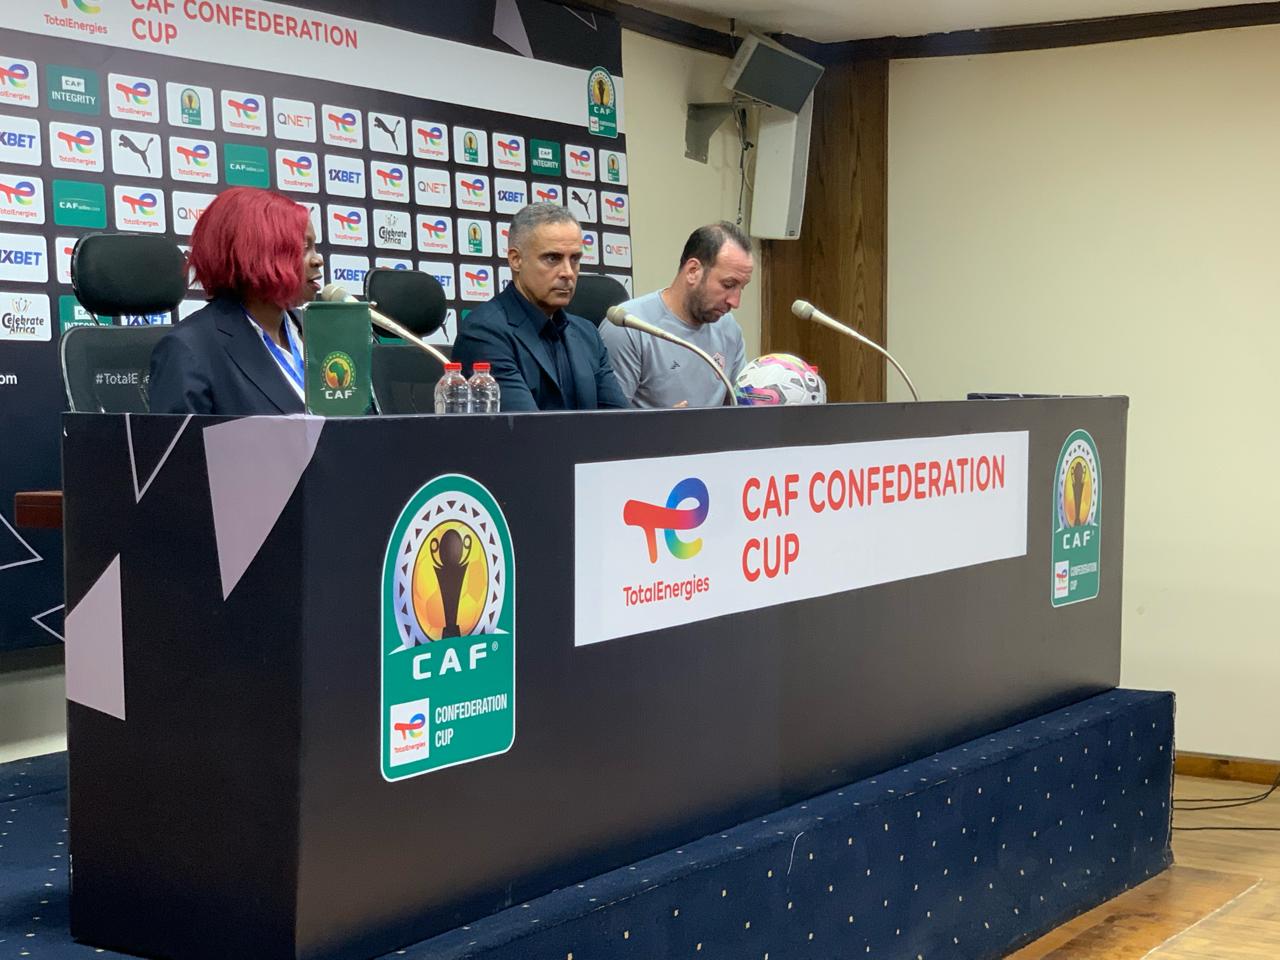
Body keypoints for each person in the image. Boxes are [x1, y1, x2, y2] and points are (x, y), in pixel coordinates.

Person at [148, 187, 325, 415]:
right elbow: (182, 440)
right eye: (303, 248)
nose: (318, 260)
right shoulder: (189, 350)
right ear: (255, 254)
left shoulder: (320, 333)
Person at [451, 203, 626, 411]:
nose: (568, 272)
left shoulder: (587, 334)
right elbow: (525, 427)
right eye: (552, 258)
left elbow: (623, 421)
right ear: (516, 260)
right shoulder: (484, 333)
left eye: (575, 259)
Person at [600, 221, 751, 408]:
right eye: (728, 285)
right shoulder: (629, 327)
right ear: (693, 271)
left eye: (741, 288)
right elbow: (609, 421)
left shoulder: (728, 327)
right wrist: (665, 423)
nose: (735, 302)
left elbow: (740, 406)